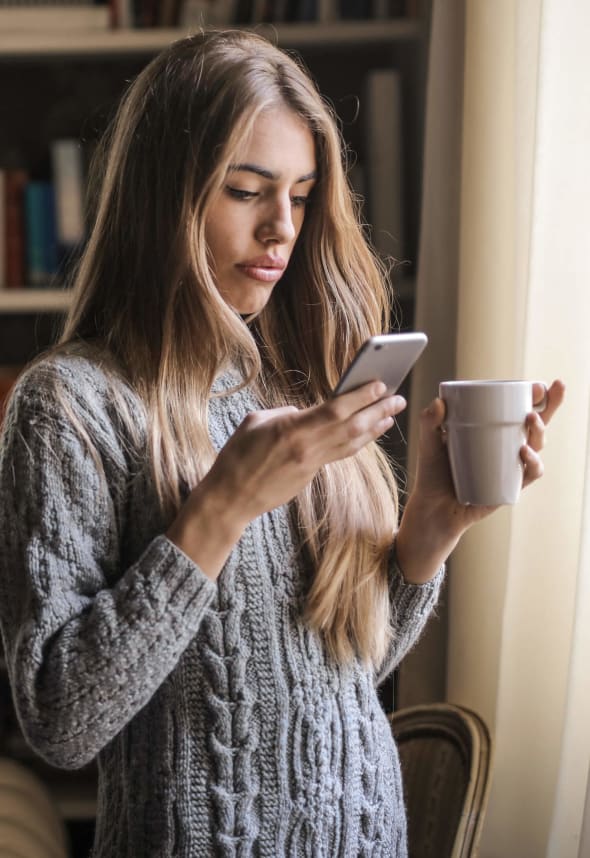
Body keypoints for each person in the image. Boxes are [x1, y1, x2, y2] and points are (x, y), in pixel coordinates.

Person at [0, 29, 564, 858]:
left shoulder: (288, 389)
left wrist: (426, 537)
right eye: (246, 190)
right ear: (166, 199)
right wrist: (222, 508)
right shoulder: (69, 406)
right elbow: (62, 719)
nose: (281, 229)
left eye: (300, 196)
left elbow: (336, 678)